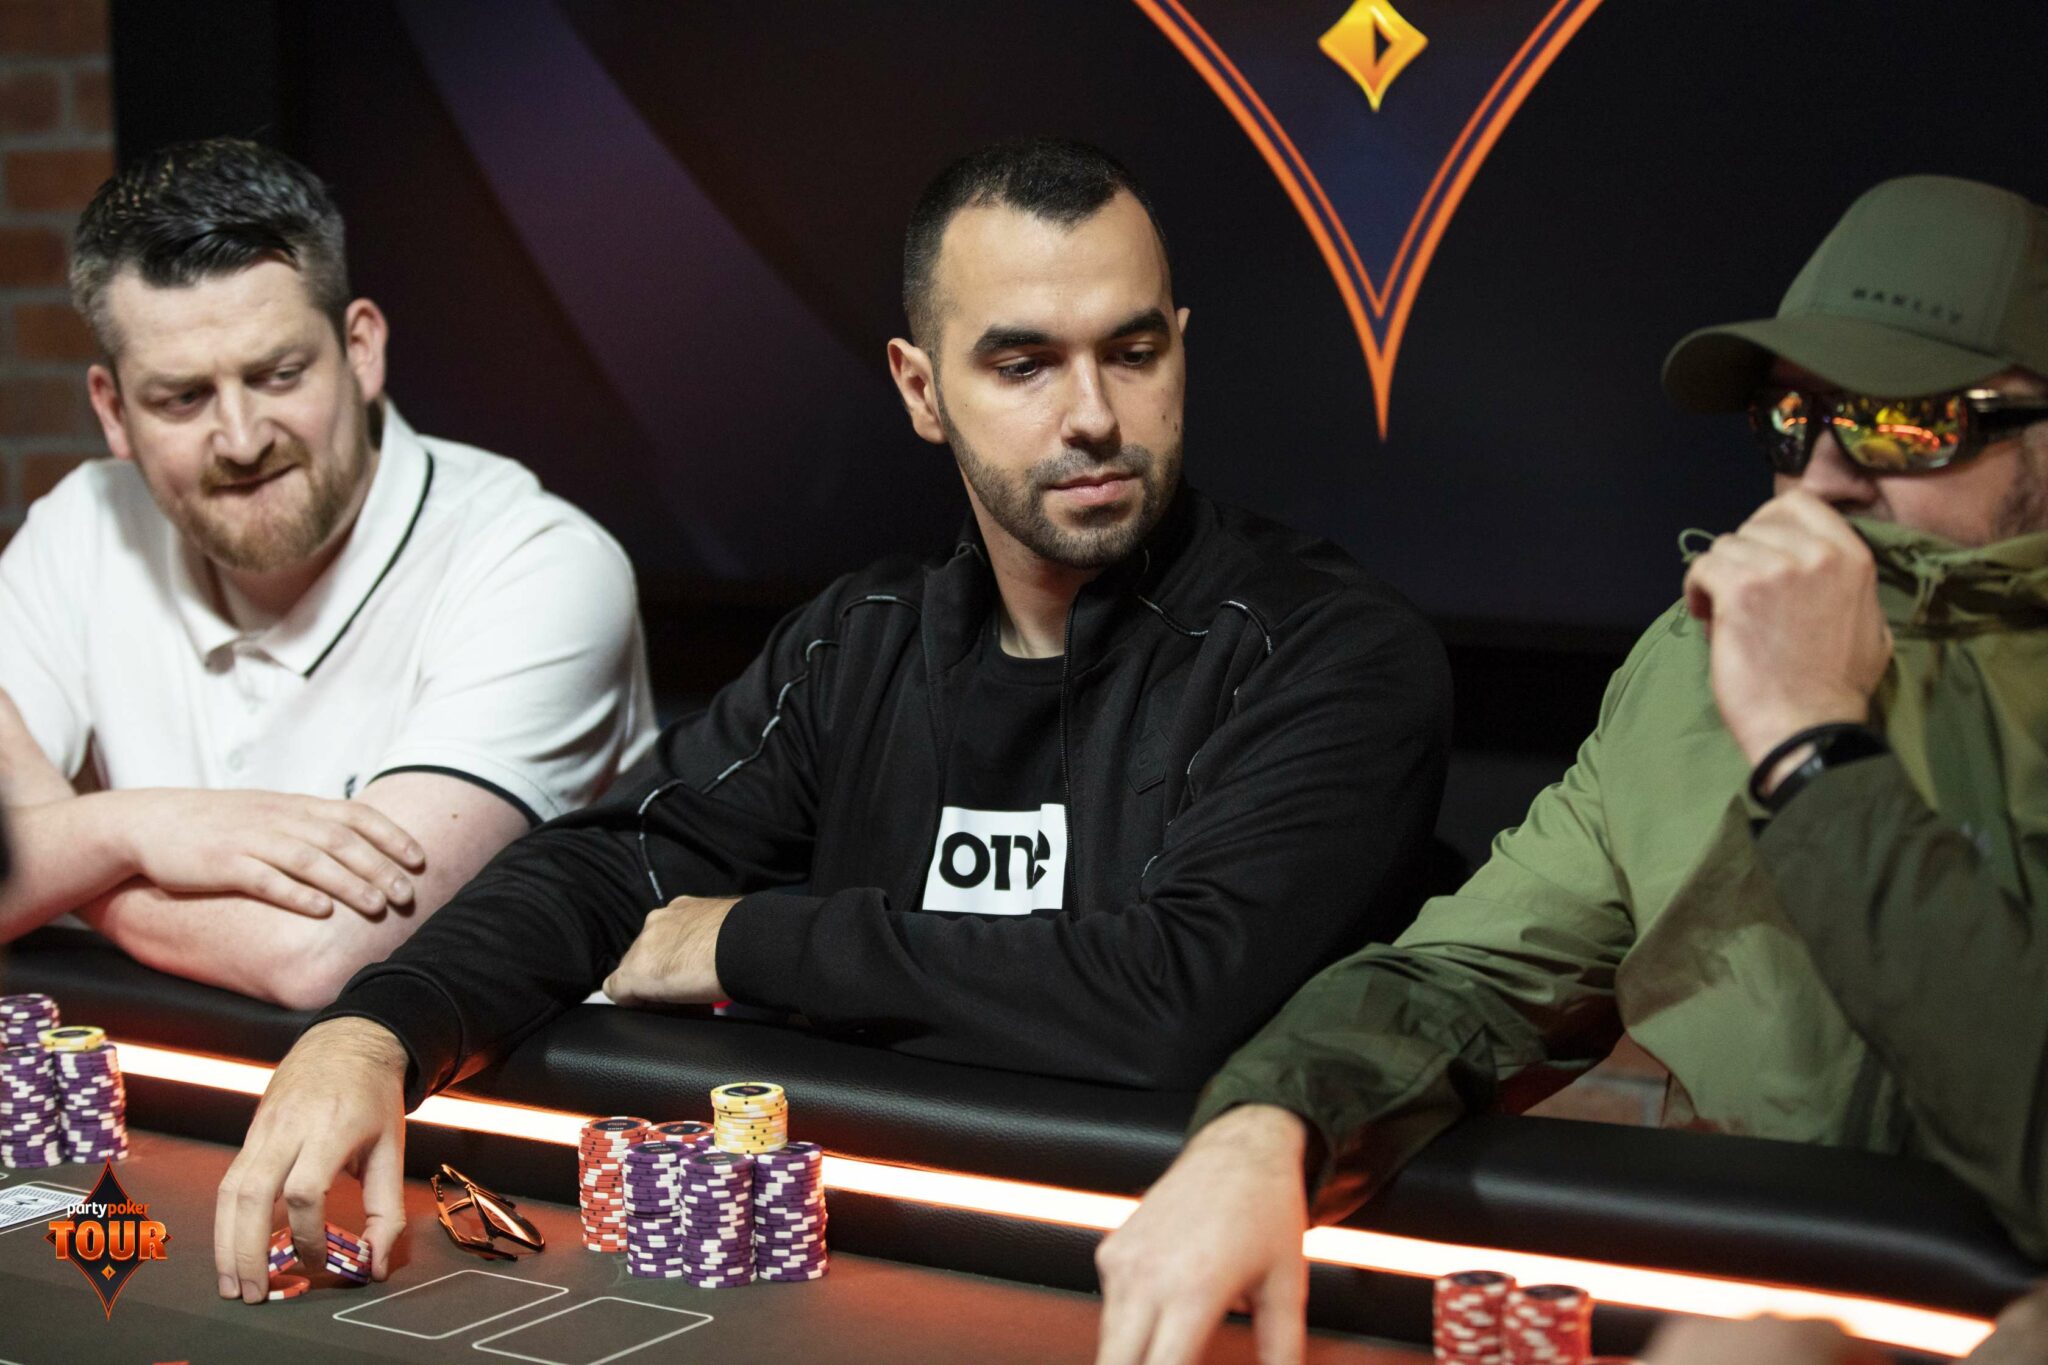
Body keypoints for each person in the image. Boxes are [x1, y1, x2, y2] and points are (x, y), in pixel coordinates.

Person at [209, 137, 1452, 1303]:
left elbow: (1177, 999)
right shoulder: (859, 642)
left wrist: (752, 940)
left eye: (1131, 352)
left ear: (1180, 349)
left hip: (1199, 1279)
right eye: (1022, 364)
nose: (1090, 414)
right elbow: (613, 866)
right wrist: (375, 1031)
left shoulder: (1329, 652)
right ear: (921, 388)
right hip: (873, 1270)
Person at [1093, 173, 2048, 1365]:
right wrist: (1269, 1125)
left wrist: (1811, 744)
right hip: (1758, 1284)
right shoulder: (1694, 661)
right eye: (1789, 419)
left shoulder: (1784, 681)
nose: (1822, 478)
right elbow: (1468, 975)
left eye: (1903, 424)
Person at [0, 139, 655, 1009]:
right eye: (182, 398)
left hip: (487, 1089)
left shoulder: (538, 563)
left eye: (279, 375)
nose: (242, 439)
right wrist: (130, 827)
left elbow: (325, 953)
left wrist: (63, 863)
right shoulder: (82, 525)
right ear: (114, 411)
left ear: (361, 348)